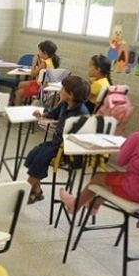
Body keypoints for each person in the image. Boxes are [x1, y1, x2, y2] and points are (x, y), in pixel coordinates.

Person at [60, 95, 139, 216]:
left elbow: (121, 161)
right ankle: (93, 205)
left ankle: (74, 206)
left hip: (138, 192)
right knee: (114, 177)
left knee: (98, 177)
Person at [24, 75, 89, 204]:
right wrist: (43, 114)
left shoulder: (81, 113)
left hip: (67, 149)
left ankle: (25, 190)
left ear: (70, 94)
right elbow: (53, 112)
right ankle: (37, 191)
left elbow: (75, 140)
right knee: (33, 155)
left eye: (63, 89)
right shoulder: (64, 104)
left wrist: (59, 156)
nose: (60, 91)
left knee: (40, 158)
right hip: (56, 143)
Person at [13, 40, 60, 106]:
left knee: (18, 93)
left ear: (44, 52)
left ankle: (18, 109)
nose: (38, 53)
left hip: (40, 87)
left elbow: (33, 74)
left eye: (39, 51)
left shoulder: (44, 63)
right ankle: (23, 100)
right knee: (21, 84)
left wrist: (34, 62)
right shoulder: (51, 61)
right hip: (43, 83)